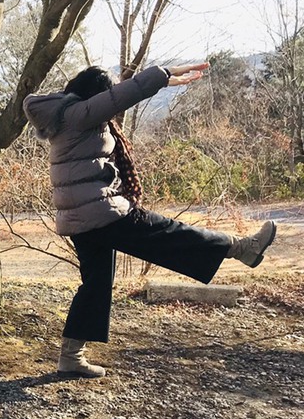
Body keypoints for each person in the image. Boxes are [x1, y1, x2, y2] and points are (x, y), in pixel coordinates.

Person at [23, 63, 278, 378]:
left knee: (96, 285)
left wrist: (164, 77)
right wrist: (162, 75)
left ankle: (71, 358)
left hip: (82, 217)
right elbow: (120, 97)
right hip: (99, 213)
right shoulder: (80, 114)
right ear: (95, 93)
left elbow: (116, 97)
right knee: (168, 234)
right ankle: (241, 248)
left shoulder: (67, 116)